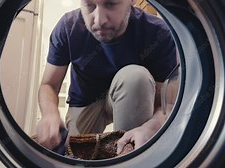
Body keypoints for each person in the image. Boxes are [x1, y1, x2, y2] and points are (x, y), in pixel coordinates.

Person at [36, 0, 178, 155]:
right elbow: (49, 84)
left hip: (130, 91)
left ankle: (130, 156)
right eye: (89, 5)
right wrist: (49, 113)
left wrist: (151, 127)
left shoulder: (158, 32)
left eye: (110, 4)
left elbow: (167, 104)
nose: (99, 20)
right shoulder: (68, 26)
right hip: (84, 100)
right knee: (76, 156)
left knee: (135, 77)